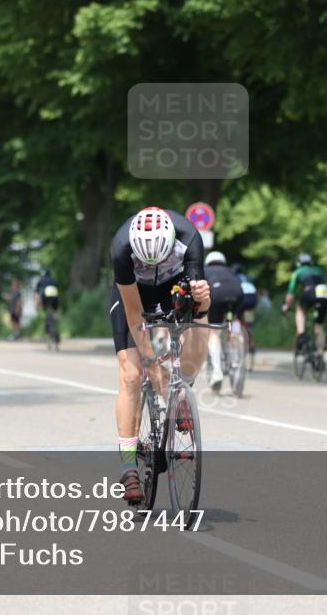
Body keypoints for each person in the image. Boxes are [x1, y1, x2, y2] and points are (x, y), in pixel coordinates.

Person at [109, 206, 210, 502]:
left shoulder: (189, 237)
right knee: (131, 374)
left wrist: (204, 300)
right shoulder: (121, 247)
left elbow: (199, 305)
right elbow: (133, 313)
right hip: (134, 293)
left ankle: (182, 391)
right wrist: (151, 363)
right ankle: (129, 468)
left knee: (201, 322)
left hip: (171, 287)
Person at [204, 252, 244, 391]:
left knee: (214, 333)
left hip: (217, 294)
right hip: (237, 294)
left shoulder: (205, 270)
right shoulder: (231, 270)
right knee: (232, 321)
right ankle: (236, 348)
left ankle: (217, 371)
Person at [281, 253, 327, 361]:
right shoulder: (318, 270)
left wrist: (286, 306)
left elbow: (291, 294)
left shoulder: (298, 272)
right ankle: (320, 354)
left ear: (298, 263)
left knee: (300, 310)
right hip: (324, 294)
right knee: (319, 326)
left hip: (310, 292)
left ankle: (302, 334)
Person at [231, 262, 258, 358]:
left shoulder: (234, 278)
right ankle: (251, 342)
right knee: (249, 320)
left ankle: (238, 333)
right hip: (253, 299)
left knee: (235, 318)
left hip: (242, 298)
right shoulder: (247, 278)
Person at [35, 269, 60, 344]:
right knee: (55, 310)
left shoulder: (41, 281)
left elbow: (37, 294)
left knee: (43, 308)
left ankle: (44, 317)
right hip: (55, 297)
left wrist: (37, 305)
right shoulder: (54, 280)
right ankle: (56, 319)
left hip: (45, 297)